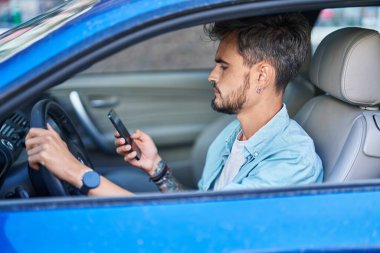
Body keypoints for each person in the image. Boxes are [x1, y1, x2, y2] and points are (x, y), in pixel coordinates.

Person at [25, 13, 323, 196]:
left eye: (223, 66)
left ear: (262, 75)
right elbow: (200, 209)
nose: (211, 75)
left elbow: (199, 225)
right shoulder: (232, 136)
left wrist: (76, 172)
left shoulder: (292, 160)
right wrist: (156, 168)